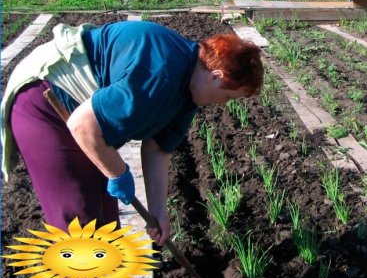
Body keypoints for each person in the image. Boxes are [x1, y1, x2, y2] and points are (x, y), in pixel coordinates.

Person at [1, 20, 264, 245]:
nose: (222, 105)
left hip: (83, 121)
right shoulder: (160, 74)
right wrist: (118, 172)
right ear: (216, 76)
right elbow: (83, 125)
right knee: (79, 222)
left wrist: (159, 211)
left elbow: (158, 148)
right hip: (44, 102)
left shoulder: (190, 92)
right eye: (228, 97)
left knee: (105, 224)